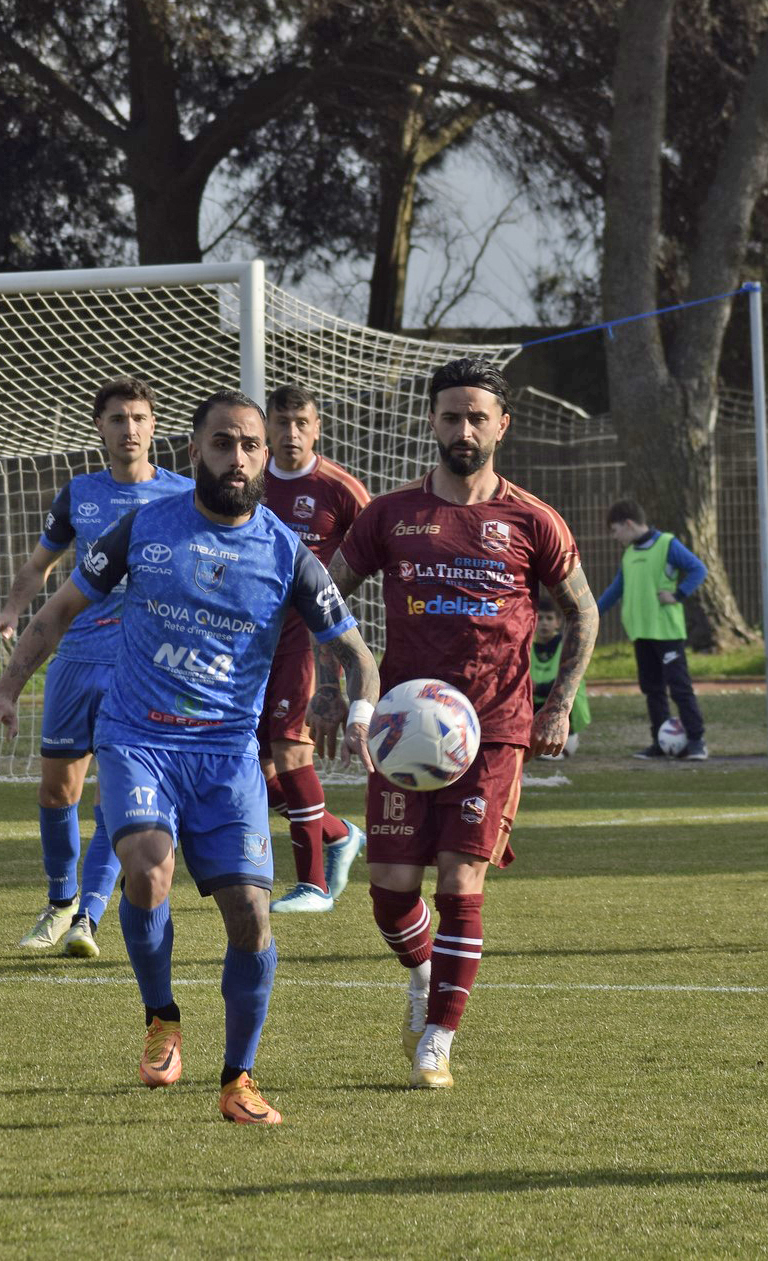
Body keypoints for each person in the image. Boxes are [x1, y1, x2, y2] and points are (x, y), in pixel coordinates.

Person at [0, 392, 379, 1125]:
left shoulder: (287, 551)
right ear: (195, 451)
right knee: (148, 869)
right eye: (224, 443)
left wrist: (364, 711)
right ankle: (161, 1018)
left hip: (225, 757)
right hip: (139, 739)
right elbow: (60, 609)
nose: (240, 457)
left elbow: (353, 653)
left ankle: (239, 1078)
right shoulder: (145, 526)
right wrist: (6, 688)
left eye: (251, 444)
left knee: (251, 914)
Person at [317, 355, 596, 1090]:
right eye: (451, 415)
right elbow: (327, 597)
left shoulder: (533, 520)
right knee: (390, 888)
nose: (464, 428)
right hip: (404, 728)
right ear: (432, 422)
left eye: (478, 416)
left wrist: (559, 702)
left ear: (502, 424)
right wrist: (331, 684)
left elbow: (583, 611)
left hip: (495, 728)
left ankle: (438, 1037)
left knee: (460, 881)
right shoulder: (391, 515)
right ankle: (423, 973)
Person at [0, 379, 192, 958]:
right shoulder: (79, 495)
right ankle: (60, 901)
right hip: (75, 661)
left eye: (140, 418)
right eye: (119, 418)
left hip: (143, 668)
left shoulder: (184, 496)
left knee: (117, 797)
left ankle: (88, 918)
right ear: (99, 427)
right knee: (57, 792)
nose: (130, 429)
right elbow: (38, 567)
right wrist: (10, 610)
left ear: (154, 426)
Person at [260, 383, 373, 913]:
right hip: (243, 640)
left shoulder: (339, 488)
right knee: (252, 774)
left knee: (291, 752)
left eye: (301, 423)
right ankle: (339, 834)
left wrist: (340, 660)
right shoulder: (247, 481)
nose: (291, 434)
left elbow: (380, 550)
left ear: (317, 427)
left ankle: (313, 886)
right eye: (281, 424)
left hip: (304, 643)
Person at [598, 499, 710, 760]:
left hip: (667, 632)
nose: (616, 538)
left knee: (680, 687)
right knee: (652, 689)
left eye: (615, 531)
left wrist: (678, 594)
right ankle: (661, 741)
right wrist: (590, 612)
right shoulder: (629, 554)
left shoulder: (667, 544)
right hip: (641, 633)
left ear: (628, 524)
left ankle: (697, 742)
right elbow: (616, 590)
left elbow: (698, 569)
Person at [530, 594, 591, 757]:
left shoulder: (567, 647)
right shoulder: (527, 647)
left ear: (558, 622)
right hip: (536, 707)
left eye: (549, 618)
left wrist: (535, 687)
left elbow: (568, 682)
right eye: (540, 618)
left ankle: (566, 738)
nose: (544, 623)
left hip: (562, 709)